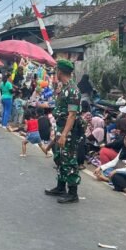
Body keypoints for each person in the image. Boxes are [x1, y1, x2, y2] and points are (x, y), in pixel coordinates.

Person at [44, 59, 81, 204]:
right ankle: (60, 187)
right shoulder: (64, 88)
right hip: (61, 128)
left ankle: (73, 193)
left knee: (69, 160)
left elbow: (72, 115)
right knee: (59, 158)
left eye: (56, 70)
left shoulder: (72, 90)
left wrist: (64, 134)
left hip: (68, 130)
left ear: (60, 71)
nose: (55, 73)